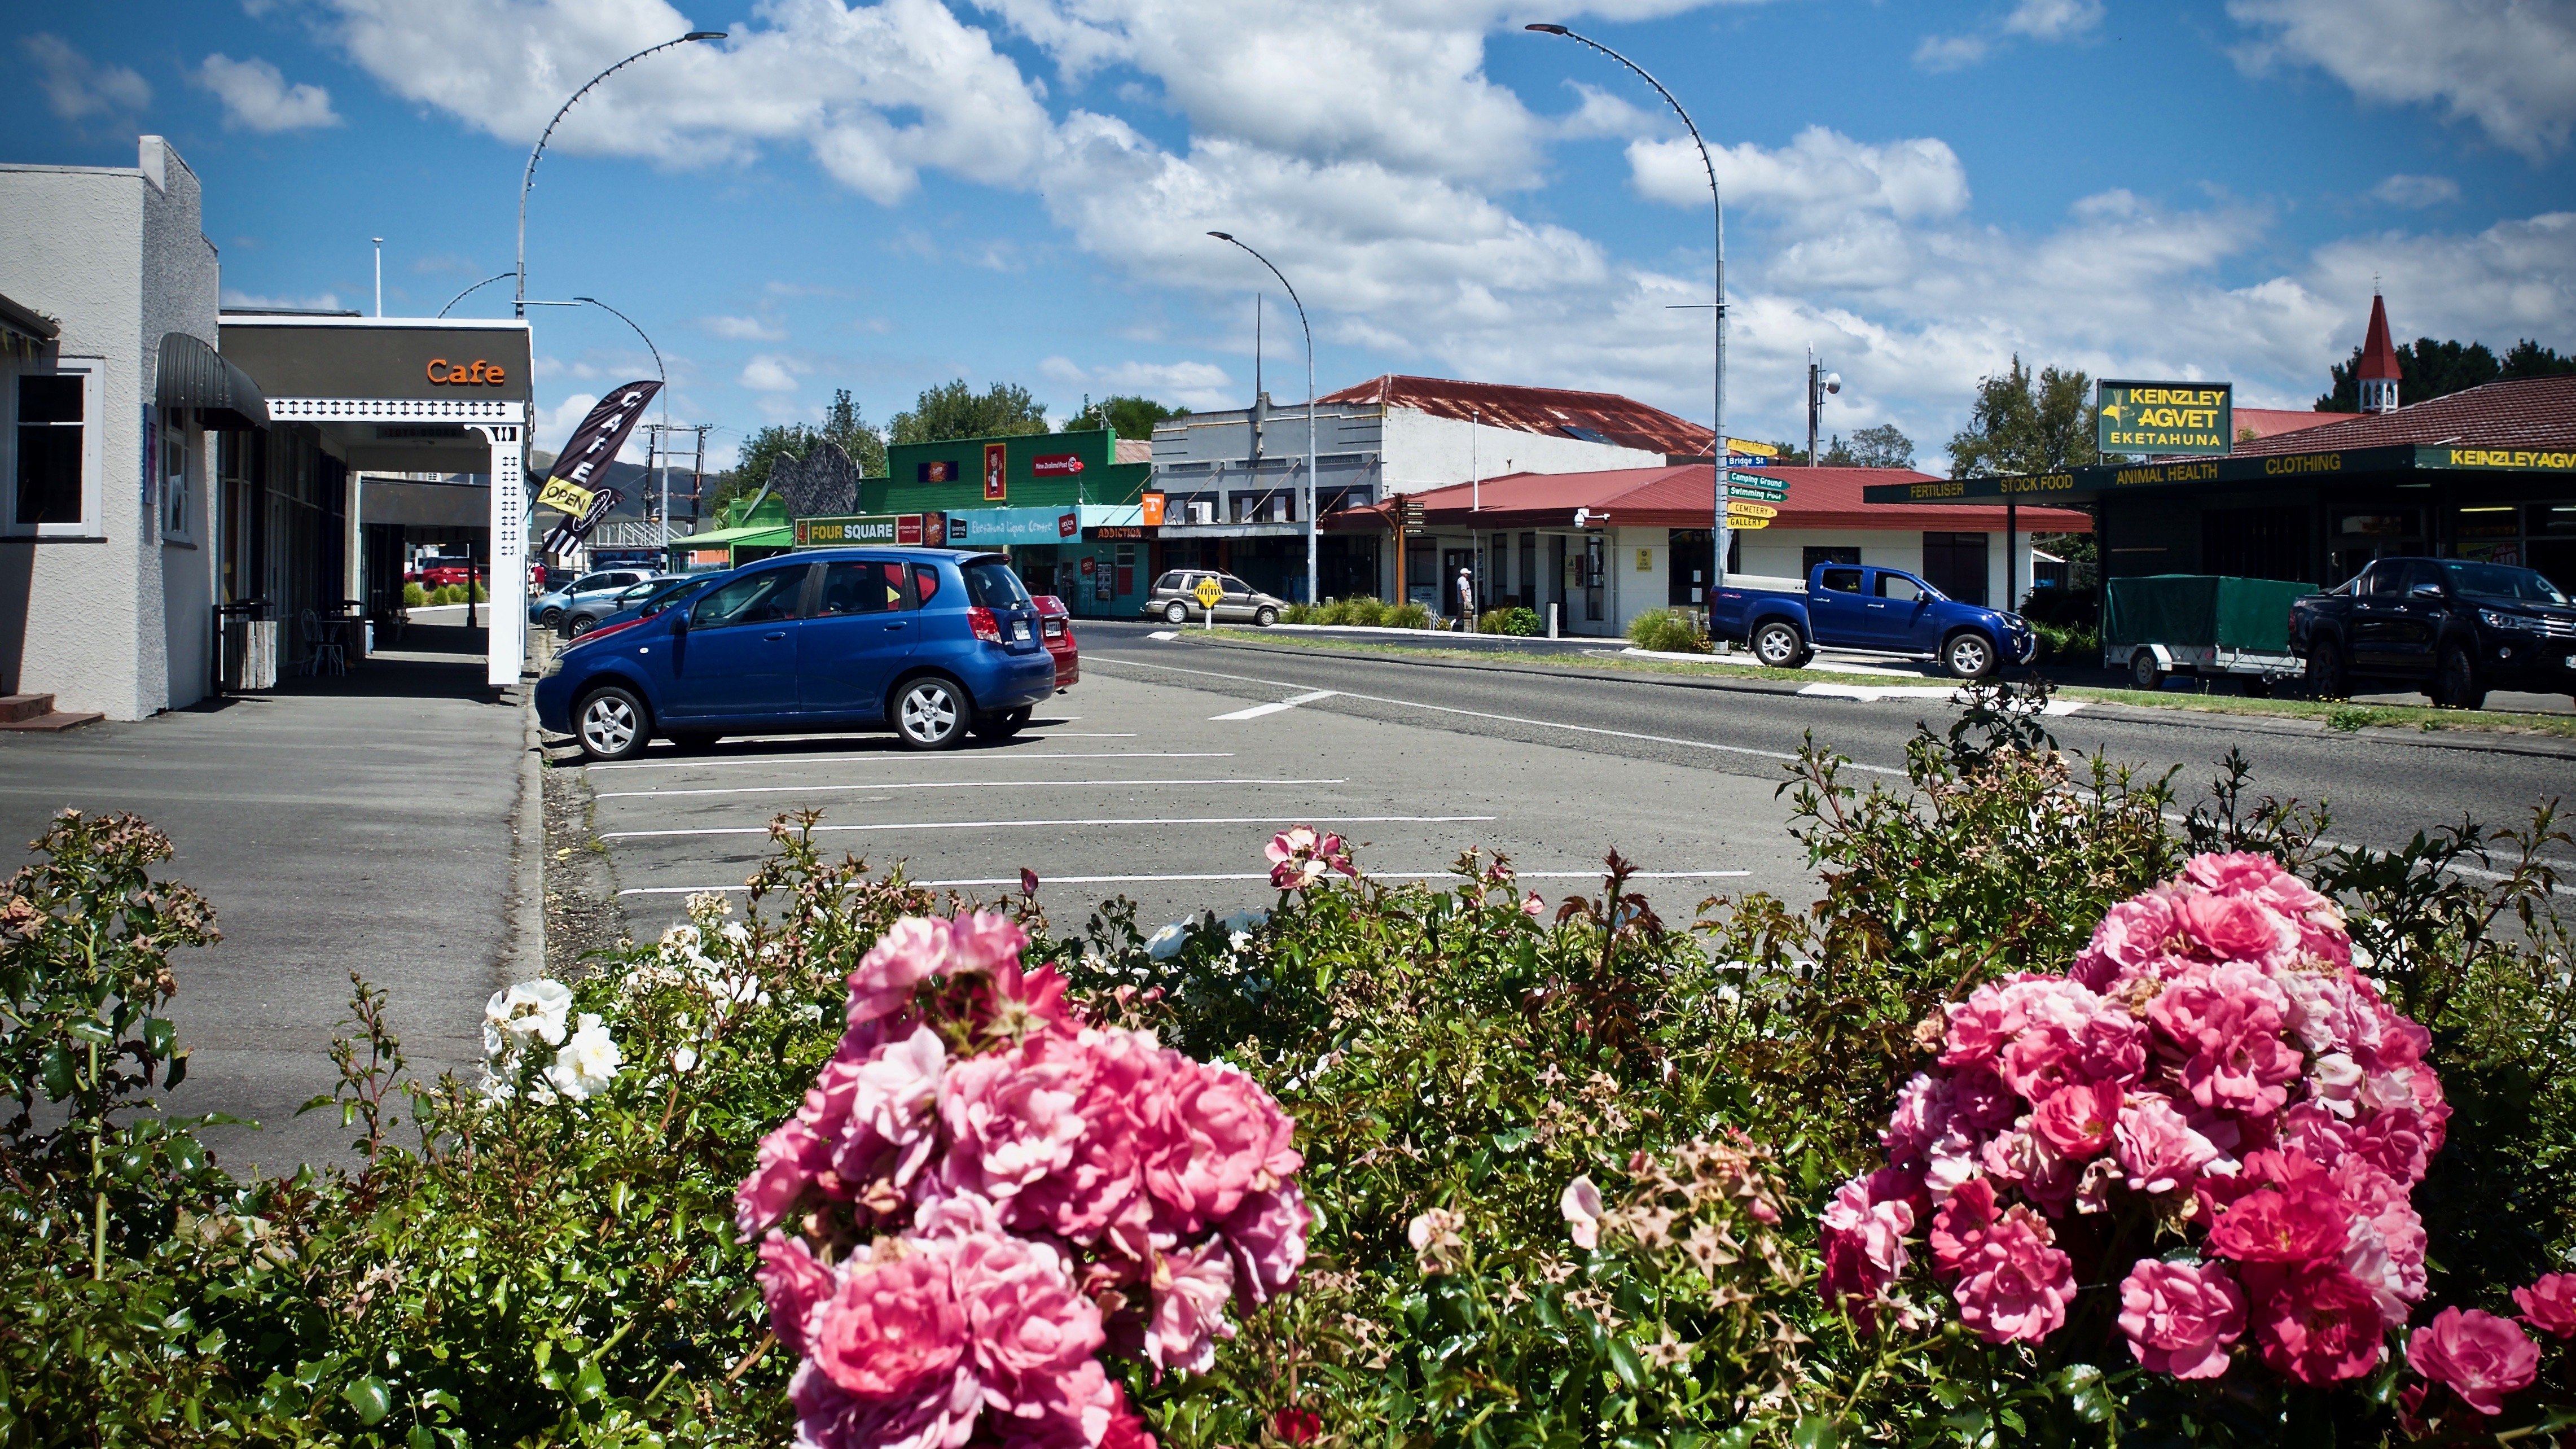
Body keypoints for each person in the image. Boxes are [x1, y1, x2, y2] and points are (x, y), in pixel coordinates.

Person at [1456, 566, 1476, 632]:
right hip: (1466, 601)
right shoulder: (1463, 580)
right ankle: (1452, 624)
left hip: (1463, 601)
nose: (1468, 575)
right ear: (1464, 574)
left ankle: (1452, 624)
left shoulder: (1461, 580)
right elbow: (1463, 591)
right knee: (1465, 614)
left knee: (1462, 615)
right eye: (1467, 574)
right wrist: (1465, 601)